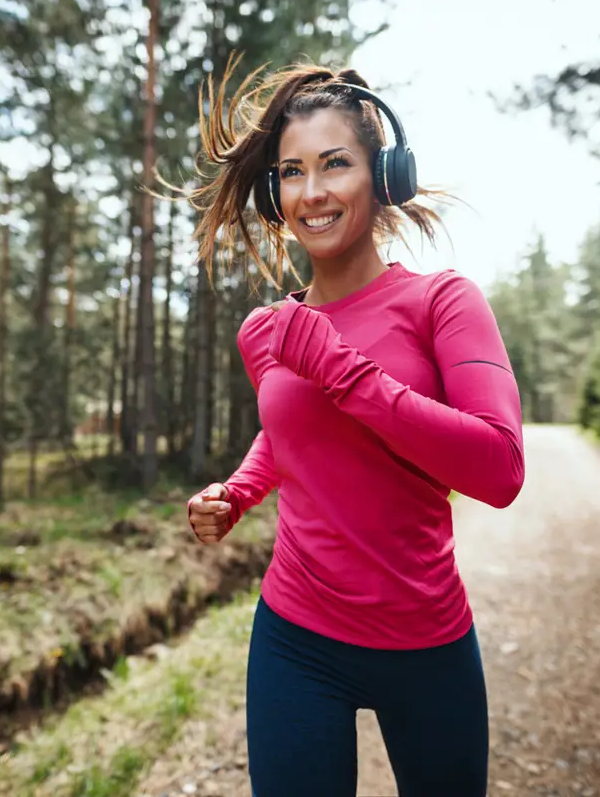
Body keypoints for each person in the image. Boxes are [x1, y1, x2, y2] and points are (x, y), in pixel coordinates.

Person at [185, 54, 525, 797]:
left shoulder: (444, 303)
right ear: (276, 194)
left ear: (384, 175)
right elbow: (288, 433)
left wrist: (345, 372)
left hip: (426, 640)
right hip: (295, 637)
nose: (313, 192)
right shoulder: (264, 331)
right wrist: (239, 492)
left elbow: (499, 470)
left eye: (335, 164)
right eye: (292, 172)